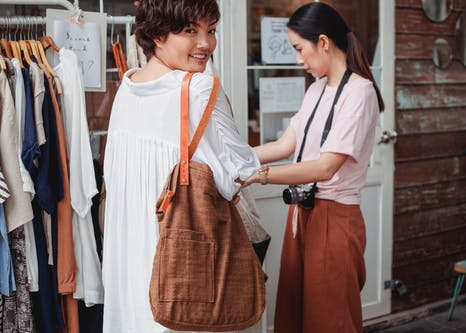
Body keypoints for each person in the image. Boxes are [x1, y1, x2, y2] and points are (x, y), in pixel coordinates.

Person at [101, 1, 260, 332]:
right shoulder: (200, 88)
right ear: (158, 34)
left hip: (129, 272)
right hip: (180, 278)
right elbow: (237, 174)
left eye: (211, 30)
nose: (205, 43)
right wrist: (285, 149)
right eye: (190, 30)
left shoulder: (126, 89)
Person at [244, 2, 384, 333]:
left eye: (299, 49)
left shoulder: (359, 92)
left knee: (329, 320)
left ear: (323, 41)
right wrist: (235, 157)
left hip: (335, 217)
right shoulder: (318, 88)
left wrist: (259, 176)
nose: (297, 59)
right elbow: (284, 145)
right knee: (294, 313)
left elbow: (325, 168)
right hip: (303, 213)